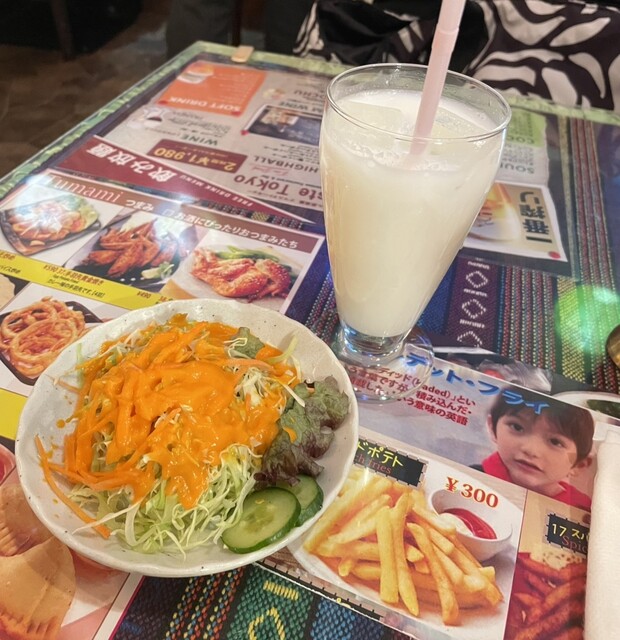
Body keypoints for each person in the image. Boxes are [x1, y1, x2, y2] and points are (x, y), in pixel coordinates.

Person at [473, 390, 595, 510]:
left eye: (555, 442)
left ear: (578, 465)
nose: (531, 450)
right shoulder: (473, 478)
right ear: (492, 427)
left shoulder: (584, 509)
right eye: (517, 427)